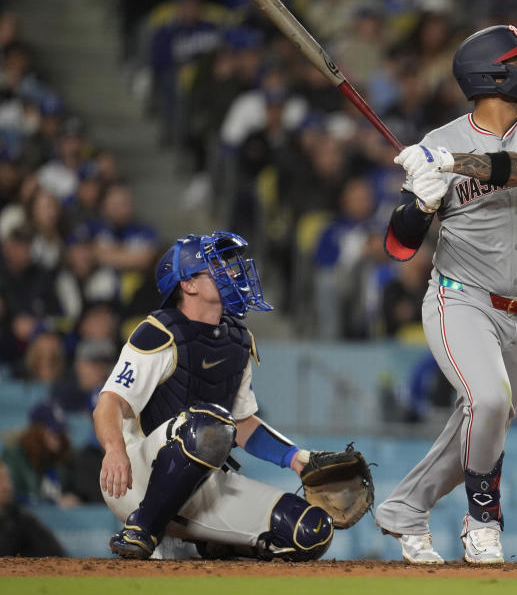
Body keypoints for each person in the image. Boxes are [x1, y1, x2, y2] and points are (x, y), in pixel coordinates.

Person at [376, 24, 517, 564]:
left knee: (484, 421)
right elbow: (399, 246)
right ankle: (483, 520)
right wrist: (420, 200)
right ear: (492, 75)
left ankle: (404, 508)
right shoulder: (438, 142)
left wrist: (450, 165)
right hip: (459, 299)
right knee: (488, 401)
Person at [93, 231, 335, 561]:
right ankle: (143, 528)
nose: (232, 271)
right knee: (209, 424)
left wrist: (296, 458)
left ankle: (220, 543)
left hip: (202, 483)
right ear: (188, 284)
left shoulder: (237, 338)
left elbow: (243, 423)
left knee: (310, 531)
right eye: (217, 265)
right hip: (137, 480)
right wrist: (114, 450)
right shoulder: (160, 331)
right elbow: (109, 402)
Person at [0, 459, 66, 557]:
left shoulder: (23, 521)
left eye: (8, 479)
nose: (7, 486)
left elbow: (56, 553)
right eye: (1, 480)